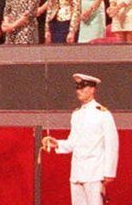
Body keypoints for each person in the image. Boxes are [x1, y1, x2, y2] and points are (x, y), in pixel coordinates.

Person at [42, 74, 119, 205]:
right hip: (77, 171)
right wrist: (57, 144)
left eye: (83, 87)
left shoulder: (103, 114)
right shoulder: (76, 114)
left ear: (92, 89)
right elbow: (73, 142)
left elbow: (112, 144)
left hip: (95, 172)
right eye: (77, 88)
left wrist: (109, 172)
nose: (79, 91)